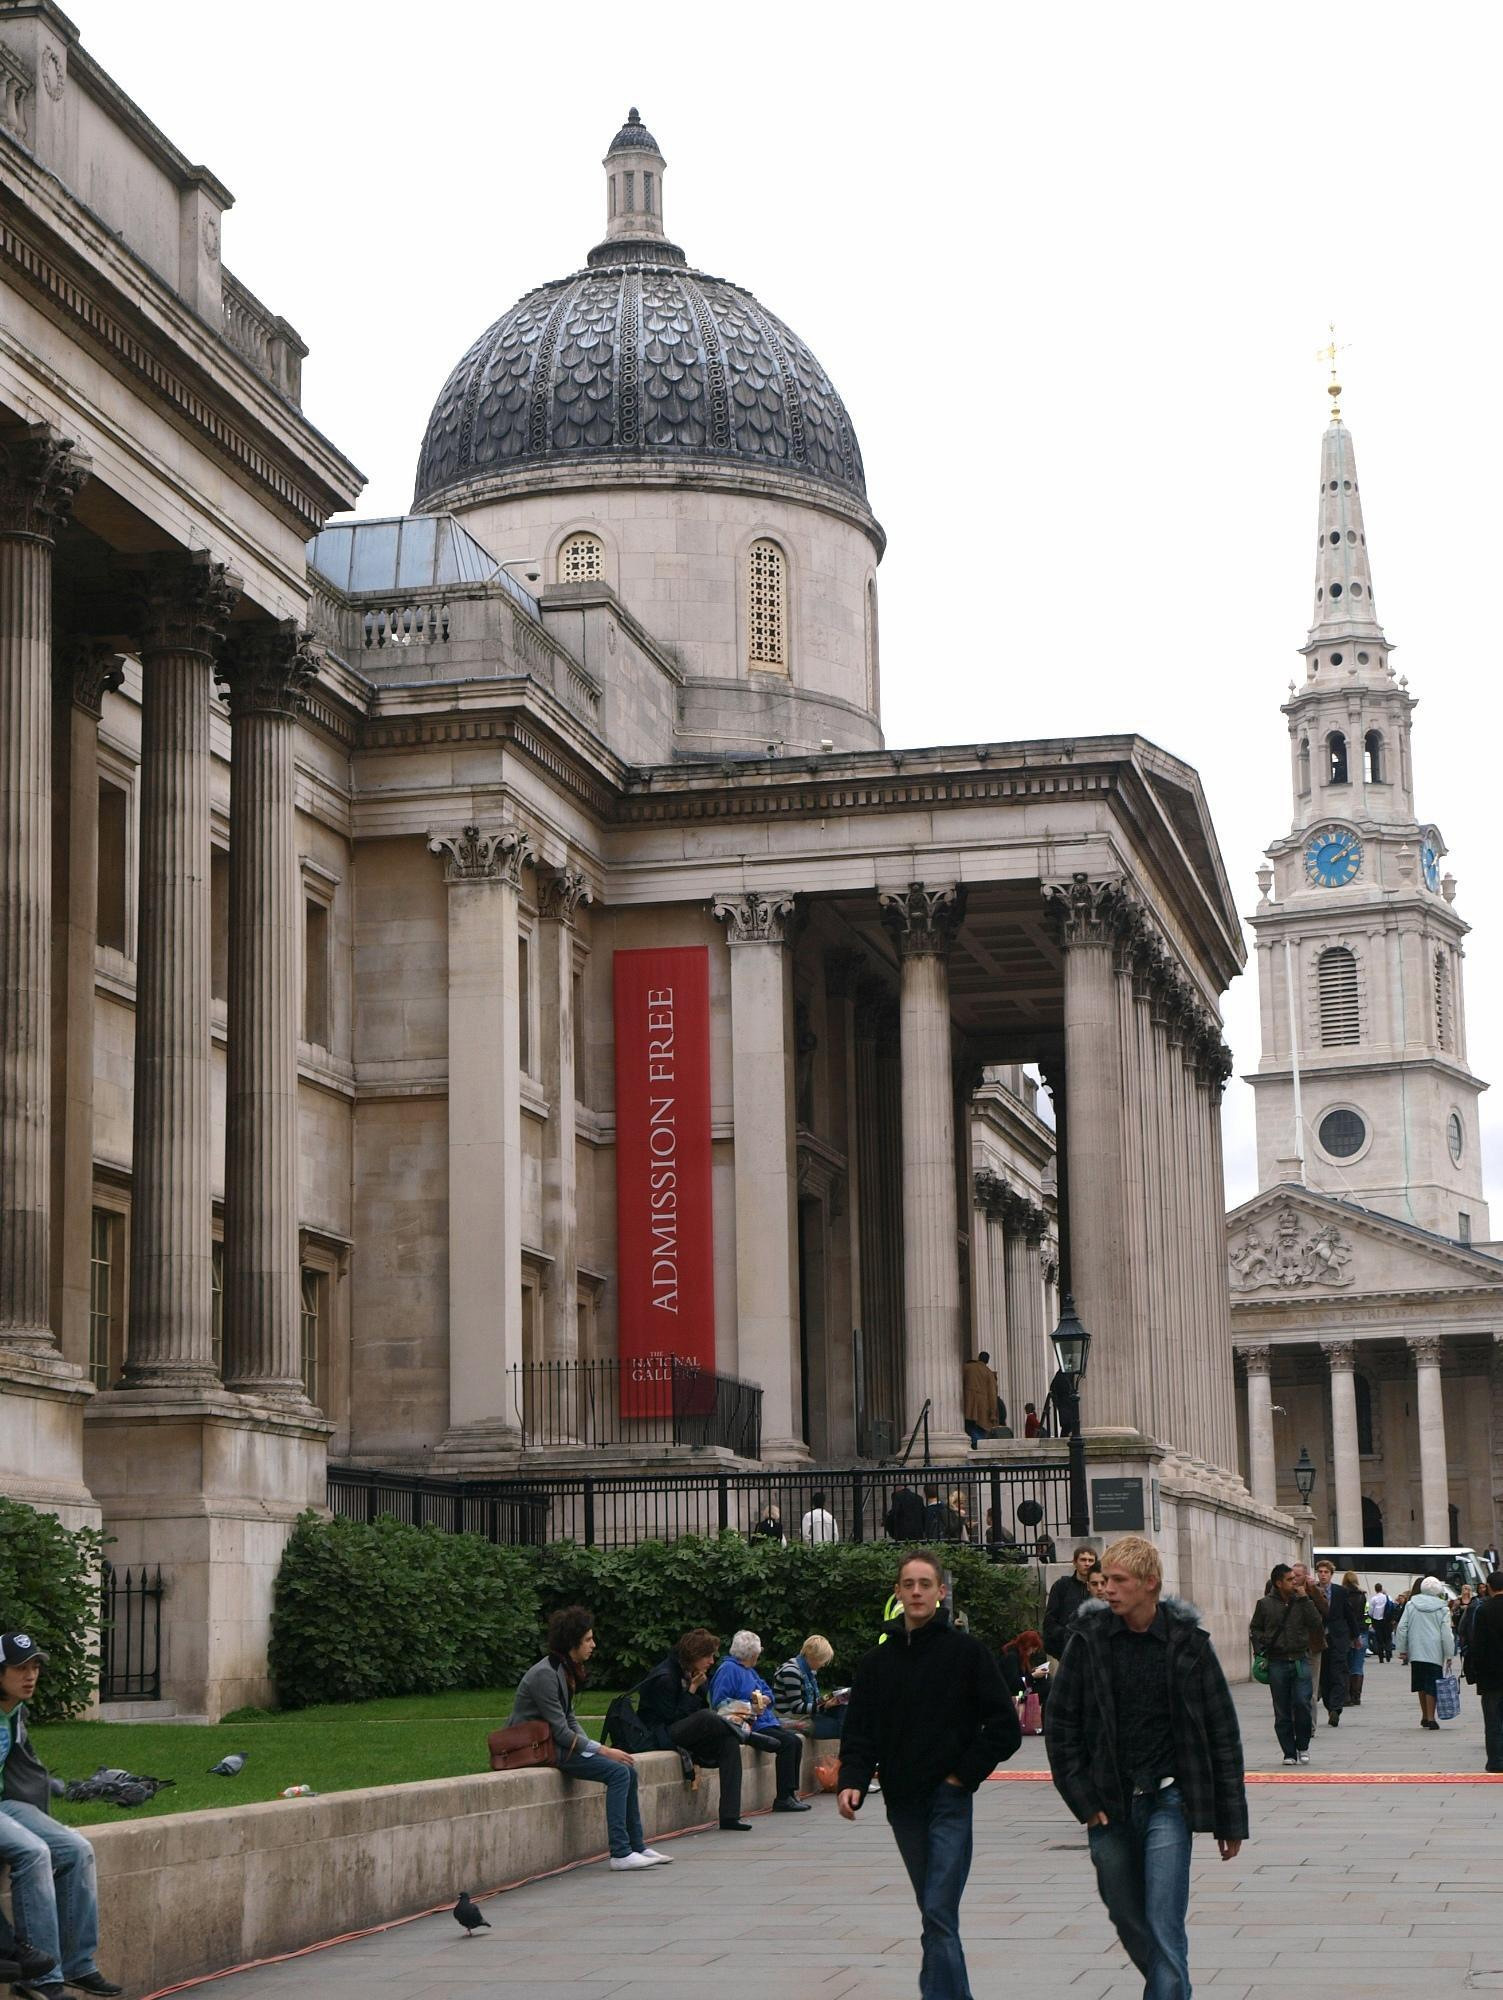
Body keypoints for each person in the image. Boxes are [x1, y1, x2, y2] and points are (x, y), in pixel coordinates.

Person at [1045, 1536, 1247, 2000]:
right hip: (1108, 1801)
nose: (1107, 1589)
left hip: (1169, 1799)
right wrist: (1082, 1798)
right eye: (1105, 1580)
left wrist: (1229, 1818)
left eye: (1119, 1581)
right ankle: (1170, 1984)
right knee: (1126, 1913)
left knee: (1163, 1915)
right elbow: (1061, 1727)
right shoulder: (1088, 1641)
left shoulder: (1189, 1645)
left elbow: (1223, 1733)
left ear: (1149, 1584)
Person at [837, 1549, 1021, 1999]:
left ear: (941, 1592)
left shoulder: (967, 1654)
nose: (916, 1592)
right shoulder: (876, 1664)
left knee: (938, 1910)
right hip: (904, 1804)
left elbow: (1004, 1728)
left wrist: (963, 1775)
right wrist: (852, 1782)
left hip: (949, 1801)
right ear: (897, 1593)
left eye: (925, 1584)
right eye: (908, 1584)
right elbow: (860, 1731)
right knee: (934, 1912)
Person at [0, 1631, 125, 1996]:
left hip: (6, 1803)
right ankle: (42, 1979)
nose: (31, 1675)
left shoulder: (13, 1711)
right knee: (34, 1852)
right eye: (20, 1667)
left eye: (35, 1666)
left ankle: (76, 1964)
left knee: (76, 1848)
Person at [510, 1606, 670, 1869]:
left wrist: (595, 1749)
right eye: (588, 1640)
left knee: (626, 1769)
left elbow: (569, 1719)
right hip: (539, 1747)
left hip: (555, 1743)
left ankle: (637, 1846)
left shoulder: (562, 1670)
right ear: (572, 1642)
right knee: (618, 1773)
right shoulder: (545, 1675)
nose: (593, 1645)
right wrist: (603, 1751)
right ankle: (620, 1853)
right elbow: (561, 1731)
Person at [636, 1628, 751, 1832]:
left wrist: (698, 1687)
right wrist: (692, 1690)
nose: (712, 1661)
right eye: (707, 1656)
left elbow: (701, 1708)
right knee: (707, 1717)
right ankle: (750, 1736)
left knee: (729, 1743)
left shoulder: (693, 1673)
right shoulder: (665, 1676)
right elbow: (672, 1717)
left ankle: (730, 1816)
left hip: (687, 1730)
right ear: (694, 1656)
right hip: (663, 1734)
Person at [709, 1631, 809, 1811]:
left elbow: (766, 1690)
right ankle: (784, 1797)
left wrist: (765, 1699)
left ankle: (790, 1793)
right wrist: (750, 1705)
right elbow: (720, 1702)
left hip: (765, 1720)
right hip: (749, 1723)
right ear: (752, 1654)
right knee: (787, 1743)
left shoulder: (750, 1670)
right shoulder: (728, 1670)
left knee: (795, 1741)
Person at [1249, 1563, 1325, 1765]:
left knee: (1302, 1702)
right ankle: (1289, 1752)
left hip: (1300, 1658)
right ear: (1278, 1582)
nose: (1295, 1582)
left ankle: (1303, 1746)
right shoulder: (1265, 1604)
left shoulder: (1301, 1601)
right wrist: (1260, 1648)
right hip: (1277, 1661)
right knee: (1282, 1709)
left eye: (1295, 1578)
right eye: (1290, 1579)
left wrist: (1305, 1599)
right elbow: (1255, 1629)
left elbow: (1316, 1622)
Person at [1394, 1576, 1453, 1730]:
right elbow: (1446, 1633)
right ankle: (1431, 1718)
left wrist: (1402, 1649)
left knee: (1420, 1683)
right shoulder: (1443, 1608)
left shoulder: (1411, 1605)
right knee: (1432, 1683)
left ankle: (1425, 1715)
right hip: (1435, 1651)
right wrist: (1449, 1654)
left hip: (1416, 1649)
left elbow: (1402, 1627)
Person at [1461, 1569, 1503, 1773]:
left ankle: (1495, 1761)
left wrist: (1476, 1670)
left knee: (1493, 1719)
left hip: (1491, 1675)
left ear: (1489, 1587)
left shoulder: (1484, 1610)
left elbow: (1478, 1644)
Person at [1310, 1557, 1360, 1727]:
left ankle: (1336, 1708)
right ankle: (1330, 1705)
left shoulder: (1340, 1591)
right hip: (1320, 1639)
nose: (1323, 1575)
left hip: (1338, 1637)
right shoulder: (1312, 1591)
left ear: (1331, 1574)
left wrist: (1356, 1636)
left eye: (1326, 1572)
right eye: (1320, 1572)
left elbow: (1349, 1614)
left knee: (1339, 1672)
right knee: (1324, 1675)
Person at [1043, 1544, 1100, 1667]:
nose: (1087, 1564)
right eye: (1083, 1560)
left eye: (1091, 1560)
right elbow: (1050, 1619)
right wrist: (1065, 1636)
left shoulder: (1101, 1588)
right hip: (1065, 1651)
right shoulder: (1062, 1586)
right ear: (1074, 1562)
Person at [772, 1635, 840, 1735]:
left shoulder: (807, 1672)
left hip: (803, 1717)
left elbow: (811, 1702)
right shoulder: (791, 1671)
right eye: (822, 1660)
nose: (823, 1664)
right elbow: (797, 1707)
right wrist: (824, 1706)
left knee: (842, 1716)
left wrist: (828, 1699)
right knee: (839, 1727)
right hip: (790, 1719)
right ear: (813, 1656)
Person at [962, 1350, 1003, 1449]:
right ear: (987, 1361)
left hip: (968, 1404)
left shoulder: (967, 1367)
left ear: (978, 1358)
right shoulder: (989, 1374)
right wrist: (993, 1413)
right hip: (983, 1408)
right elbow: (993, 1395)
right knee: (979, 1431)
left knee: (970, 1427)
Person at [1341, 1570, 1369, 1705]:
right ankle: (1356, 1696)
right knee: (1358, 1665)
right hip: (1361, 1631)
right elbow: (1366, 1614)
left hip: (1346, 1632)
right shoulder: (1362, 1595)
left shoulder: (1342, 1594)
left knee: (1346, 1664)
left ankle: (1346, 1696)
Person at [1367, 1584, 1393, 1663]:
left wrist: (1372, 1616)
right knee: (1388, 1637)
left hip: (1377, 1621)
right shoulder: (1388, 1597)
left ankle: (1381, 1657)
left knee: (1379, 1639)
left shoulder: (1373, 1599)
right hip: (1387, 1620)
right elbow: (1392, 1607)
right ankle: (1388, 1653)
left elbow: (1371, 1610)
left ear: (1375, 1589)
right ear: (1381, 1589)